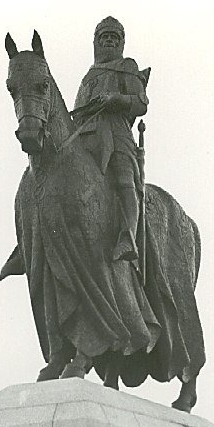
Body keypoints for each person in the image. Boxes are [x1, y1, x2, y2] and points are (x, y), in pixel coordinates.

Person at [73, 16, 150, 264]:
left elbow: (140, 104)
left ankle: (127, 237)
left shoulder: (126, 66)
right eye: (104, 37)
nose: (108, 41)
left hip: (116, 132)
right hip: (82, 134)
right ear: (95, 42)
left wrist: (115, 99)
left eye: (113, 38)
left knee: (124, 177)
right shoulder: (88, 76)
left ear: (121, 43)